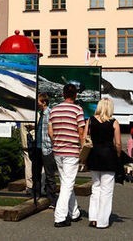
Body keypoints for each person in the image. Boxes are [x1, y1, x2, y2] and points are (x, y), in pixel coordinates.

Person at [48, 83, 85, 228]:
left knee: (66, 182)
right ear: (75, 95)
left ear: (63, 94)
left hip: (58, 150)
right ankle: (60, 217)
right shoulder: (77, 109)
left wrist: (57, 142)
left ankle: (74, 212)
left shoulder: (54, 110)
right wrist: (83, 149)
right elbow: (81, 132)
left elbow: (50, 132)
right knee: (68, 184)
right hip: (71, 151)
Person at [84, 99, 122, 229]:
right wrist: (118, 155)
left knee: (96, 188)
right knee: (106, 190)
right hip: (109, 156)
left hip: (94, 155)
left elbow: (85, 139)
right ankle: (102, 221)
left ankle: (93, 217)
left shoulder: (90, 120)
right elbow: (118, 143)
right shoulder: (114, 122)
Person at [32, 92, 58, 208]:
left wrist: (54, 145)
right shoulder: (40, 113)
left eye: (38, 102)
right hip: (38, 147)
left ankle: (52, 199)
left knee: (49, 175)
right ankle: (36, 194)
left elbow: (50, 131)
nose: (37, 104)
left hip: (47, 148)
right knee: (36, 173)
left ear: (44, 102)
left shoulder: (49, 114)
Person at [19, 123, 34, 194]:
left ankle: (29, 186)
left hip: (26, 142)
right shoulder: (31, 114)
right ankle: (32, 186)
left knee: (28, 164)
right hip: (32, 142)